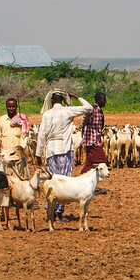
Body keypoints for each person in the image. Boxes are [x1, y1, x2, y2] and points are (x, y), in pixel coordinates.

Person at [35, 89, 93, 219]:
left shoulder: (47, 115)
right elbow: (88, 107)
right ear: (62, 100)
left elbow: (41, 135)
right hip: (65, 150)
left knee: (52, 181)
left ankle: (50, 209)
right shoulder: (68, 111)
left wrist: (38, 154)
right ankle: (58, 212)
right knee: (64, 181)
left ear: (51, 100)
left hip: (50, 151)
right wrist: (77, 96)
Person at [80, 92, 109, 194]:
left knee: (89, 164)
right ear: (99, 100)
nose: (105, 102)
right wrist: (84, 130)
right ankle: (91, 185)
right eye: (103, 100)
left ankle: (85, 183)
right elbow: (86, 119)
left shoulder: (99, 111)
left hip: (94, 140)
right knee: (101, 161)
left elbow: (100, 125)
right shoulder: (93, 109)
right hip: (92, 141)